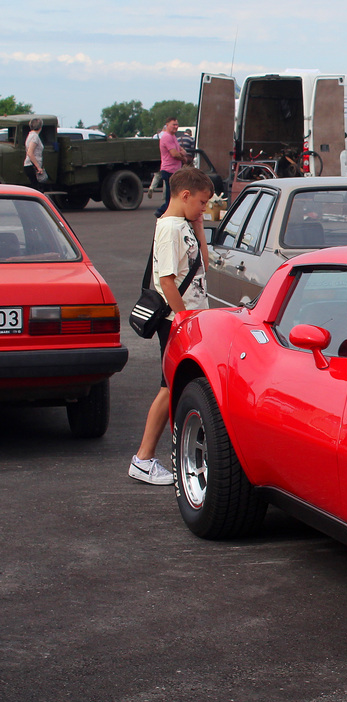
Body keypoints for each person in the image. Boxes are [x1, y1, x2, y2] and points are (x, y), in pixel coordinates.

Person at [130, 167, 214, 486]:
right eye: (203, 202)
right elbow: (165, 279)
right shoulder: (168, 228)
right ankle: (143, 458)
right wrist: (181, 319)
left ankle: (163, 454)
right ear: (185, 196)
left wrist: (200, 228)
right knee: (169, 388)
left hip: (188, 319)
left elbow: (202, 267)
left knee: (175, 388)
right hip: (176, 321)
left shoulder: (184, 225)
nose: (205, 207)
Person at [155, 118, 189, 217]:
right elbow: (174, 154)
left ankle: (164, 213)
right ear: (167, 125)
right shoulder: (167, 137)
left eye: (177, 125)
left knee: (173, 195)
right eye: (173, 124)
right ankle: (161, 212)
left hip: (174, 170)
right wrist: (183, 158)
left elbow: (180, 149)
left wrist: (183, 153)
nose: (176, 127)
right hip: (169, 170)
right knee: (172, 197)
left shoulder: (172, 136)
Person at [23, 118, 46, 188]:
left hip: (29, 165)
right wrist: (38, 167)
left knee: (35, 186)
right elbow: (30, 152)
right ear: (40, 127)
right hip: (32, 166)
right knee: (37, 187)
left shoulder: (30, 135)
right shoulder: (35, 137)